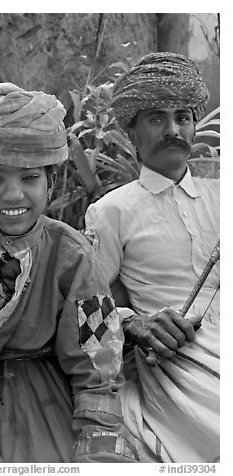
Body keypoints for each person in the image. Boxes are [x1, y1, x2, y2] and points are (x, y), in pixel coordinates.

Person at [0, 83, 138, 464]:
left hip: (54, 401)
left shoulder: (74, 257)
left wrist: (98, 454)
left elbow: (99, 366)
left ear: (50, 184)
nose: (13, 195)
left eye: (29, 178)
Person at [84, 52, 220, 463]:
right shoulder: (110, 212)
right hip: (180, 359)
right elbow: (86, 309)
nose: (174, 129)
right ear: (131, 132)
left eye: (183, 116)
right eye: (157, 119)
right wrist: (135, 324)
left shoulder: (222, 194)